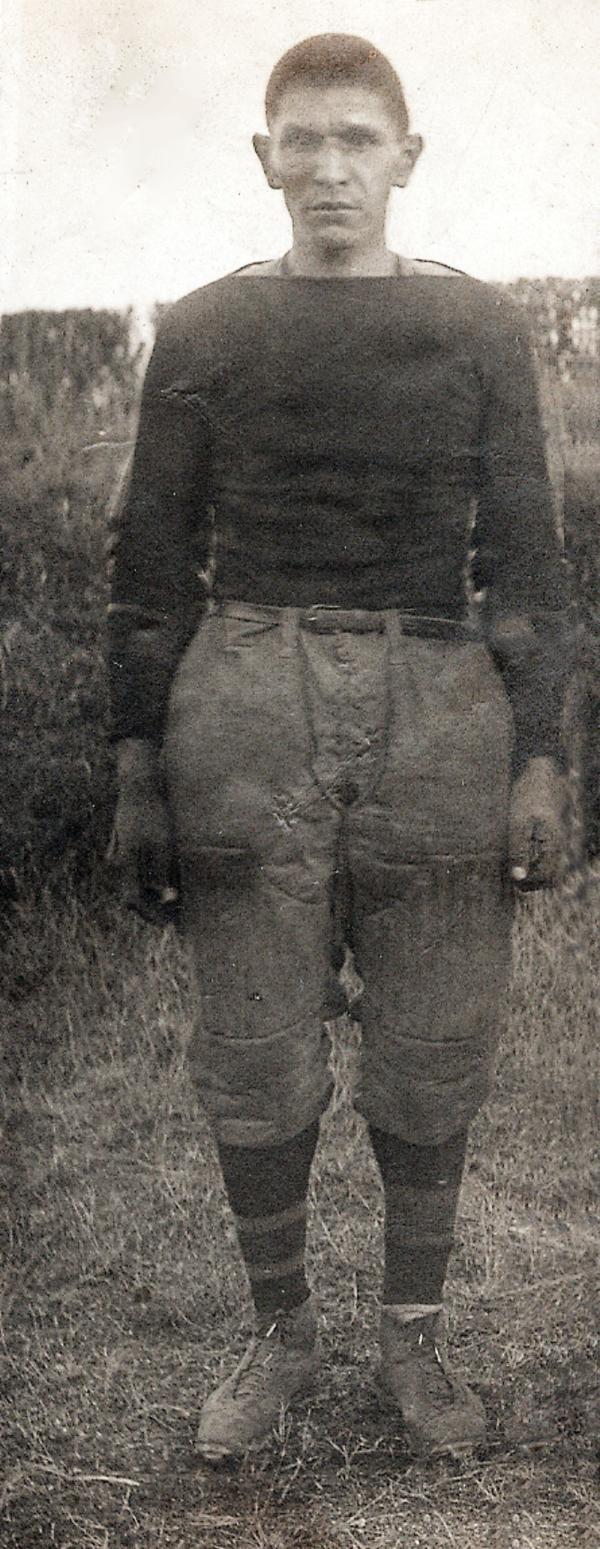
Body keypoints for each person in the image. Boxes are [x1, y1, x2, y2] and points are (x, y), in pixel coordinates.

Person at [107, 34, 569, 1465]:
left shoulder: (479, 325)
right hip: (246, 690)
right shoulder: (205, 328)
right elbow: (151, 555)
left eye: (356, 138)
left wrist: (543, 755)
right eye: (299, 140)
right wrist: (136, 763)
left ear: (406, 158)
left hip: (440, 691)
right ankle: (280, 1335)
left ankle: (412, 1345)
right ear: (264, 160)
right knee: (252, 1044)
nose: (326, 166)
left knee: (434, 1042)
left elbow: (534, 559)